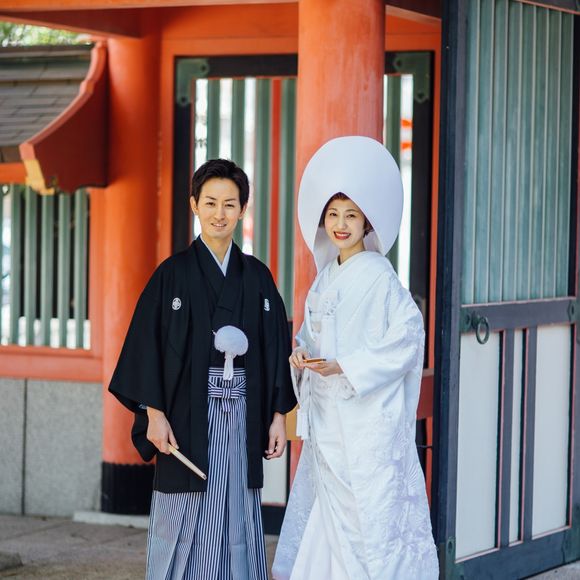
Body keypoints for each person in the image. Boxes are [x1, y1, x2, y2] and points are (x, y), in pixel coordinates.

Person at [109, 158, 296, 580]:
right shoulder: (172, 275)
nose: (219, 214)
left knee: (236, 510)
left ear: (243, 209)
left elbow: (274, 348)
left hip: (242, 416)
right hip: (184, 418)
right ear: (194, 204)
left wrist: (277, 416)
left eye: (230, 204)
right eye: (210, 203)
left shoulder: (257, 277)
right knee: (181, 512)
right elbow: (145, 347)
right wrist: (153, 414)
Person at [272, 136, 439, 580]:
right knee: (329, 511)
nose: (341, 224)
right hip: (329, 418)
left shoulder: (382, 278)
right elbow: (309, 335)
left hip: (367, 421)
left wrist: (347, 365)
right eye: (333, 214)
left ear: (367, 222)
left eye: (351, 215)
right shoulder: (325, 278)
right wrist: (302, 354)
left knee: (370, 514)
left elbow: (408, 337)